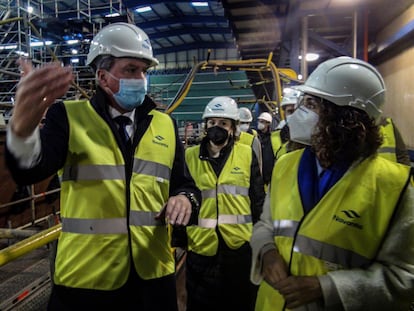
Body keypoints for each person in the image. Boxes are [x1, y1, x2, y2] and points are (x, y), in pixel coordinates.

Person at [5, 22, 201, 311]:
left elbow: (186, 186)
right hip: (85, 283)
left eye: (144, 70)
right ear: (102, 76)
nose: (141, 79)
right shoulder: (69, 117)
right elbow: (30, 170)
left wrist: (185, 199)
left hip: (152, 278)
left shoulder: (166, 125)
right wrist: (22, 127)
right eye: (131, 70)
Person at [250, 56, 414, 311]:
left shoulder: (392, 186)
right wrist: (267, 251)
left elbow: (404, 277)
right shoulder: (286, 165)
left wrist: (326, 287)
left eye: (312, 104)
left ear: (343, 117)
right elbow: (266, 225)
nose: (299, 112)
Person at [184, 96, 265, 311]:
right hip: (201, 248)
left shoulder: (246, 155)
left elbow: (257, 201)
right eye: (212, 123)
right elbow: (183, 197)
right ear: (205, 125)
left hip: (239, 248)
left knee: (240, 302)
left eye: (223, 123)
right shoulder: (189, 157)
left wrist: (261, 242)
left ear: (233, 128)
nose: (216, 128)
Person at [238, 107, 263, 174]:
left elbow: (259, 161)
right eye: (242, 122)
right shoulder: (230, 137)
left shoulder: (254, 137)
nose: (245, 125)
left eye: (247, 123)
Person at [256, 111, 278, 188]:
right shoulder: (256, 136)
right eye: (259, 121)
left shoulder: (272, 138)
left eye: (262, 121)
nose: (259, 123)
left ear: (268, 123)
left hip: (269, 176)